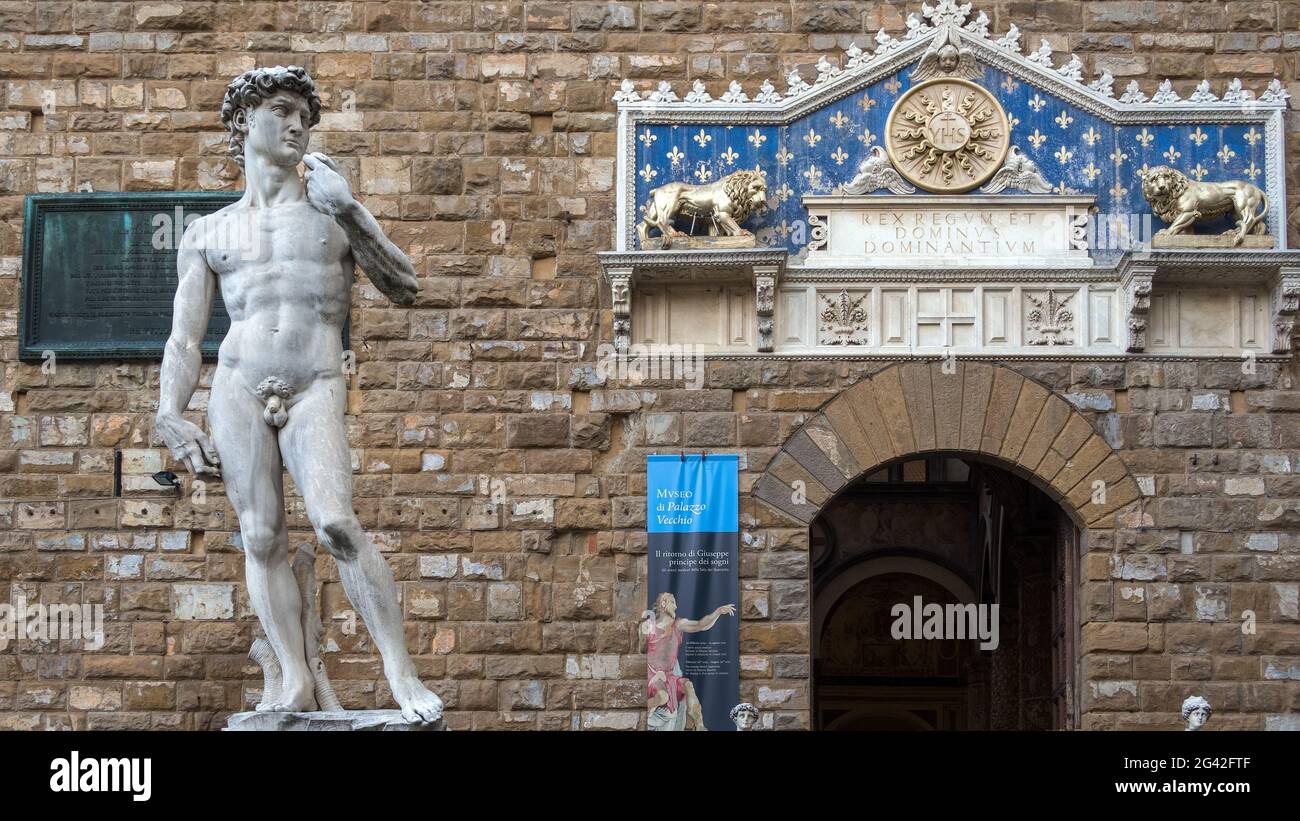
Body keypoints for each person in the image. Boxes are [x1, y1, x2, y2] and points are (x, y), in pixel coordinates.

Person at [155, 66, 441, 722]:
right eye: (282, 111)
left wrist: (350, 207)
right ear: (242, 123)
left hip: (314, 383)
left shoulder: (331, 215)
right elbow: (182, 339)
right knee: (260, 536)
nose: (297, 125)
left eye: (304, 118)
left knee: (336, 522)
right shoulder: (208, 232)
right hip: (236, 386)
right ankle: (292, 679)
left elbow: (405, 285)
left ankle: (400, 673)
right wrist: (170, 412)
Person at [640, 592, 735, 730]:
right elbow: (640, 652)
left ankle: (700, 726)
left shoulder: (678, 625)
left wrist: (718, 612)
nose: (676, 606)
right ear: (663, 603)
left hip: (669, 676)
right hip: (652, 675)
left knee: (688, 686)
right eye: (673, 602)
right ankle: (645, 708)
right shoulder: (649, 626)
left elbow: (700, 625)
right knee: (662, 697)